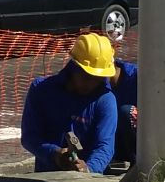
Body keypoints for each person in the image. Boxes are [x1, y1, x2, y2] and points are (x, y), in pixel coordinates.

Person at [20, 33, 118, 174]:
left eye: (98, 78)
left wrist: (89, 170)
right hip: (45, 178)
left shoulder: (105, 100)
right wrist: (54, 154)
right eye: (87, 76)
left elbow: (104, 146)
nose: (91, 83)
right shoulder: (41, 90)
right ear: (74, 66)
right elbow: (30, 137)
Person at [110, 57, 139, 165]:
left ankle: (138, 165)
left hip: (141, 140)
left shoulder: (137, 77)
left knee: (127, 112)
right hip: (113, 141)